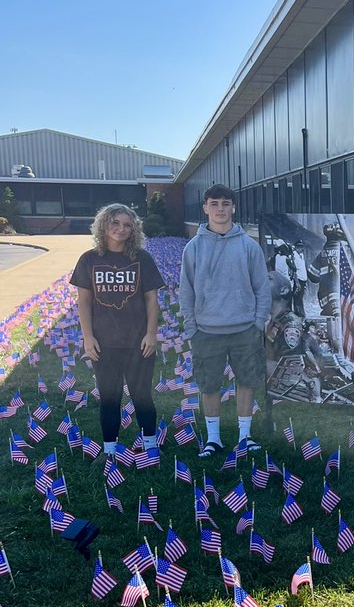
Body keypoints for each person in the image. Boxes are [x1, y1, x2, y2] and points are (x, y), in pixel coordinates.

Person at [180, 184, 270, 458]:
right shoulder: (193, 248)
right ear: (205, 208)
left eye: (225, 203)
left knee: (247, 382)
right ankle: (214, 439)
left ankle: (245, 436)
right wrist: (192, 327)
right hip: (206, 331)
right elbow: (186, 291)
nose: (220, 209)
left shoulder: (249, 246)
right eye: (214, 203)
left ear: (233, 207)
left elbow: (262, 287)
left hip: (245, 330)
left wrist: (257, 323)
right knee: (209, 385)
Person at [71, 203, 164, 455]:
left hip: (138, 341)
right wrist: (88, 337)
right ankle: (110, 450)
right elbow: (84, 302)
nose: (121, 229)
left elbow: (152, 299)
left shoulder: (142, 258)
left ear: (134, 230)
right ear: (103, 225)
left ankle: (150, 446)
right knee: (109, 397)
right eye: (115, 223)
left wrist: (151, 334)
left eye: (127, 225)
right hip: (104, 343)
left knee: (142, 395)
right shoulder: (89, 259)